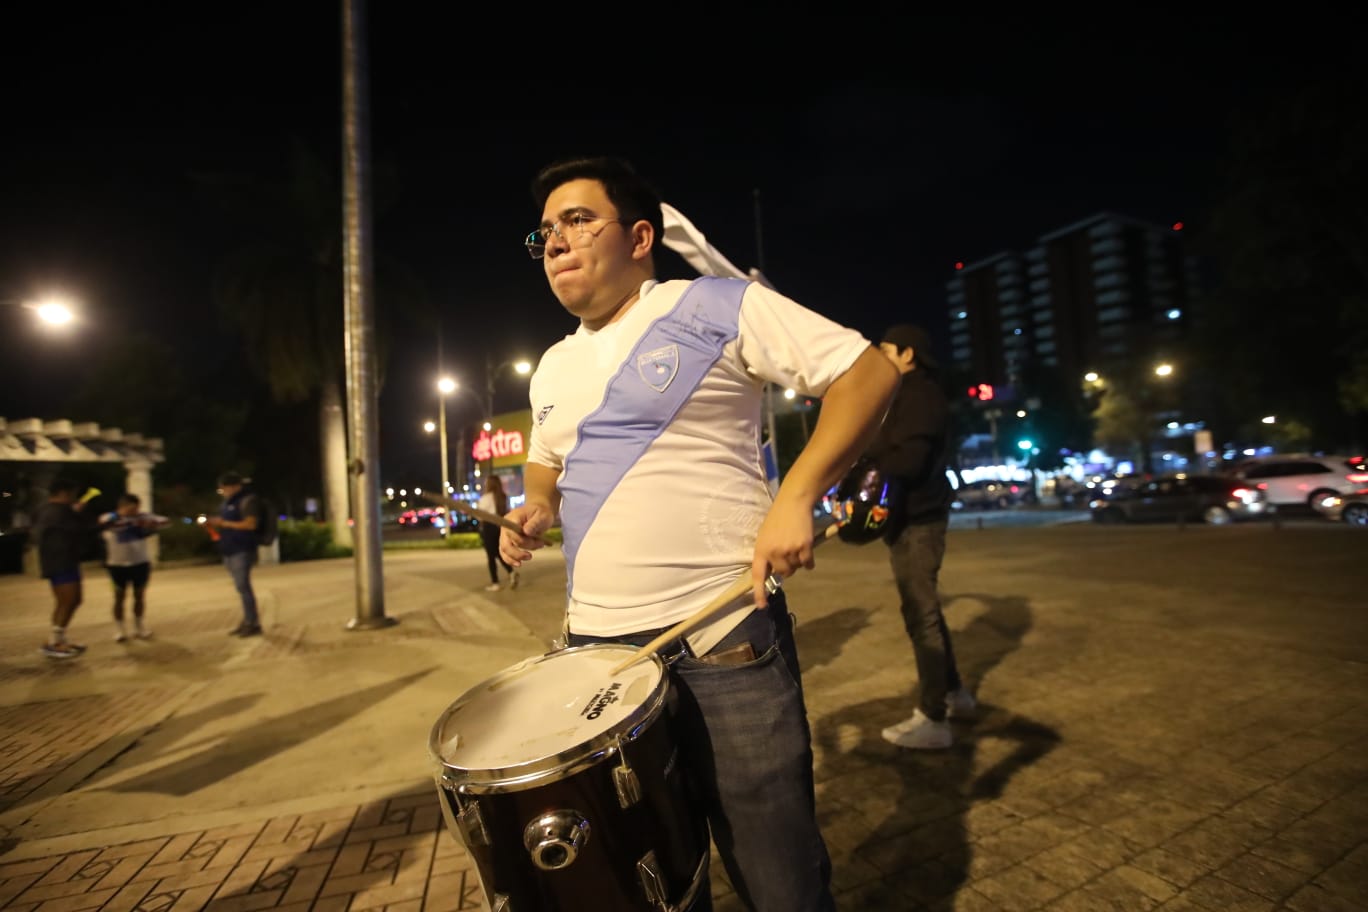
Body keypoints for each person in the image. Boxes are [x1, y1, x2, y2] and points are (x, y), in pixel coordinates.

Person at [500, 156, 900, 912]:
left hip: (724, 637)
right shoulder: (551, 366)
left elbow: (868, 373)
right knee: (652, 876)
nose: (555, 241)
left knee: (776, 873)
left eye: (580, 220)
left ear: (641, 236)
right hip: (600, 657)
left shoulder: (719, 305)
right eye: (545, 232)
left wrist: (797, 497)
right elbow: (545, 458)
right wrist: (536, 507)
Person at [866, 324, 977, 750]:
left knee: (922, 615)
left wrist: (867, 456)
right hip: (910, 520)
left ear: (908, 354)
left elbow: (908, 461)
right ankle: (954, 695)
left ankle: (934, 718)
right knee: (926, 613)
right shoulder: (906, 394)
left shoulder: (918, 396)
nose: (878, 355)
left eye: (885, 349)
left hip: (918, 520)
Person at [32, 478, 96, 659]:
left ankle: (59, 638)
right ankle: (54, 643)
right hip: (59, 562)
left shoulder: (51, 511)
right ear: (63, 493)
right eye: (72, 494)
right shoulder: (55, 511)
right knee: (66, 601)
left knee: (74, 600)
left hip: (67, 560)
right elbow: (81, 529)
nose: (74, 498)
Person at [99, 494, 169, 641]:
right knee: (119, 597)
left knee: (139, 595)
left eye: (136, 508)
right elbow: (103, 523)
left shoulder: (142, 517)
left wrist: (145, 522)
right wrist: (122, 517)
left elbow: (164, 521)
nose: (134, 511)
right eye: (131, 508)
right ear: (122, 506)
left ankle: (139, 626)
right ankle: (119, 629)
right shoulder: (109, 517)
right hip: (116, 565)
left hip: (140, 563)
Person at [206, 471, 262, 636]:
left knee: (243, 587)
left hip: (242, 549)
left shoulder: (248, 501)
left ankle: (253, 623)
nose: (223, 491)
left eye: (225, 488)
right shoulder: (226, 503)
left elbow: (250, 524)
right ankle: (247, 620)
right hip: (229, 549)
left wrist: (223, 522)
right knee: (240, 587)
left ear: (235, 486)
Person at [476, 475, 518, 592]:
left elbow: (479, 516)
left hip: (489, 527)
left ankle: (495, 582)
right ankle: (511, 572)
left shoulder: (486, 498)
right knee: (498, 552)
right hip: (500, 527)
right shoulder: (503, 497)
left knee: (491, 556)